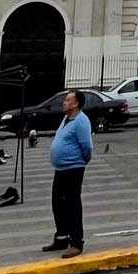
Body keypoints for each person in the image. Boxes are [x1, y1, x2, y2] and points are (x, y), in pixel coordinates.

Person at [42, 90, 92, 257]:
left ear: (76, 103)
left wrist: (81, 161)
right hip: (61, 169)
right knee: (58, 203)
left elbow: (87, 147)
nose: (64, 102)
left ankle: (76, 242)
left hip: (73, 169)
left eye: (67, 100)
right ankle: (61, 237)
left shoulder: (81, 121)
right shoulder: (67, 118)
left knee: (72, 205)